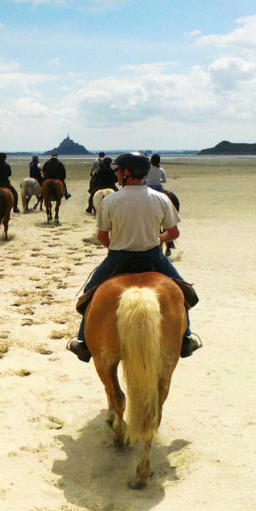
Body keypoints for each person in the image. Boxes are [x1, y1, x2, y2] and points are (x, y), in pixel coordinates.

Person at [67, 152, 201, 362]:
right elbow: (173, 233)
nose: (117, 174)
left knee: (89, 294)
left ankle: (83, 342)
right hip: (154, 256)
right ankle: (186, 338)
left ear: (127, 172)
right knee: (183, 291)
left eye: (119, 170)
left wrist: (116, 247)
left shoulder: (111, 200)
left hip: (118, 257)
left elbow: (102, 236)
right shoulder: (161, 198)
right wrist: (159, 238)